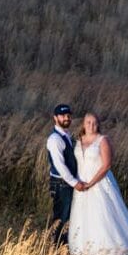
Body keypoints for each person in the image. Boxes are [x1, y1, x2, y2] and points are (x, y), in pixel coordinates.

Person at [67, 112, 128, 255]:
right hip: (81, 185)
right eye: (88, 122)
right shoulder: (78, 141)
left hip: (98, 183)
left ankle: (110, 254)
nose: (91, 125)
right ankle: (85, 254)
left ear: (98, 124)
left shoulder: (103, 140)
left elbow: (106, 166)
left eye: (94, 123)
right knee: (84, 217)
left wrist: (91, 183)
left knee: (102, 215)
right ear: (83, 124)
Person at [44, 104, 80, 246]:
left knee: (68, 216)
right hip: (61, 184)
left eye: (68, 115)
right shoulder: (55, 139)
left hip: (67, 184)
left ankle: (63, 246)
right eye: (63, 115)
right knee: (61, 218)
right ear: (55, 118)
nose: (66, 118)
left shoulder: (67, 136)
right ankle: (56, 248)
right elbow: (60, 166)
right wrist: (75, 182)